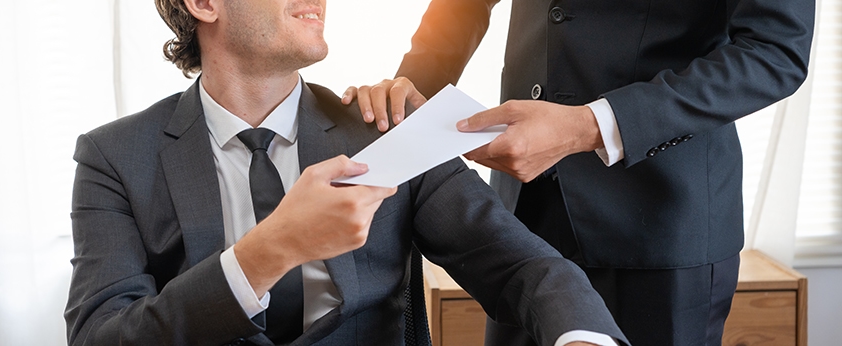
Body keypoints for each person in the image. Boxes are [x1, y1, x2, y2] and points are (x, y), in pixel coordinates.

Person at [63, 0, 629, 345]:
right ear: (205, 3)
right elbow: (100, 338)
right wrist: (268, 252)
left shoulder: (385, 132)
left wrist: (582, 338)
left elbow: (522, 267)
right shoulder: (113, 158)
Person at [344, 0, 815, 345]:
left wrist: (590, 126)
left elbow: (775, 52)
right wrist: (408, 105)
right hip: (522, 223)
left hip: (659, 227)